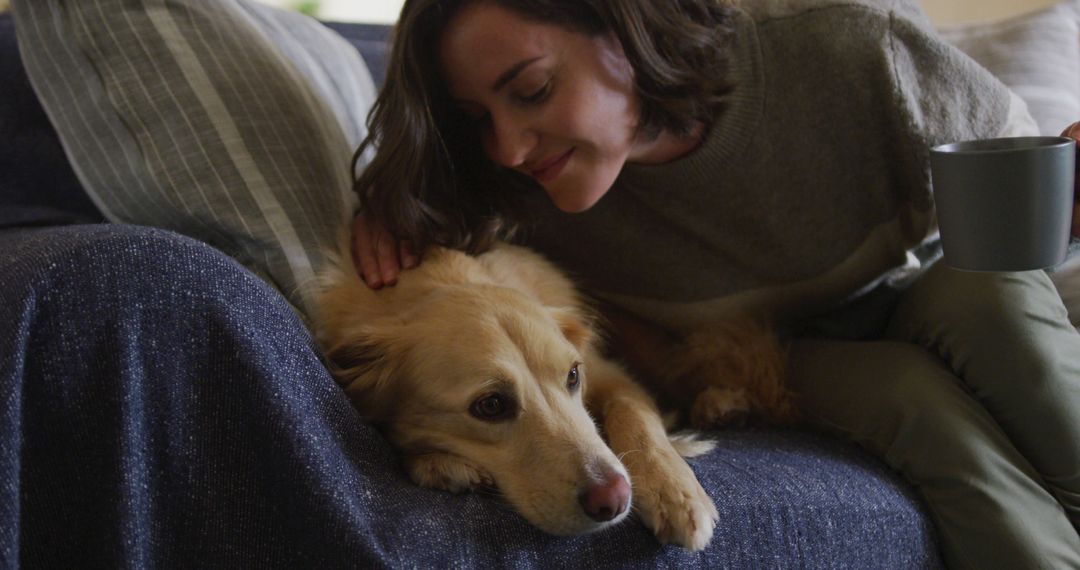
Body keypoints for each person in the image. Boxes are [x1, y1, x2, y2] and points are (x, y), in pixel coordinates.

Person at [349, 0, 1080, 567]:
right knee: (912, 403)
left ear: (623, 26)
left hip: (930, 276)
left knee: (998, 318)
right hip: (767, 357)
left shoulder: (844, 43)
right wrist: (387, 215)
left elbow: (1025, 182)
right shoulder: (512, 191)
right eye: (477, 119)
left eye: (534, 90)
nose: (507, 145)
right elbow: (424, 267)